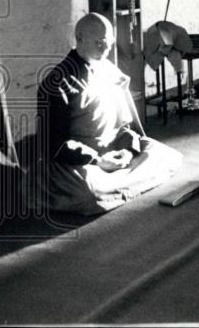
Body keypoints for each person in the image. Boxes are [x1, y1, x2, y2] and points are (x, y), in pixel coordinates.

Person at [35, 13, 182, 215]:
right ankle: (116, 182)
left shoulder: (109, 70)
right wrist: (98, 160)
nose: (105, 50)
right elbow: (53, 143)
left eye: (109, 44)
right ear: (79, 39)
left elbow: (124, 125)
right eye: (99, 43)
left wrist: (127, 150)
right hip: (79, 161)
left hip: (114, 149)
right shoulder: (57, 83)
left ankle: (117, 180)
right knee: (90, 192)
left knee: (167, 155)